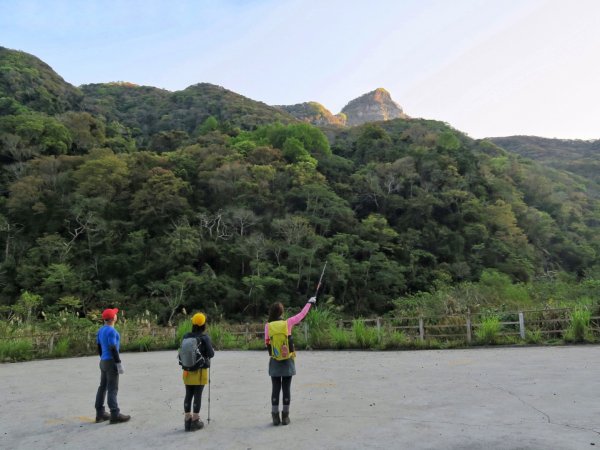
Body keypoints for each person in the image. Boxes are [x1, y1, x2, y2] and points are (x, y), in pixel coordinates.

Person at [265, 296, 316, 426]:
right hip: (288, 359)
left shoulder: (268, 326)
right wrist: (310, 302)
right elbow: (302, 314)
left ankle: (275, 417)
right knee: (286, 388)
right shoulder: (288, 323)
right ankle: (285, 417)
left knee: (275, 388)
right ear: (282, 313)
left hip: (275, 360)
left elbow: (267, 343)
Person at [94, 308, 130, 424]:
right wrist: (118, 363)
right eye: (115, 314)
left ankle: (100, 414)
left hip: (103, 361)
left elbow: (99, 347)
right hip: (111, 361)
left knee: (102, 387)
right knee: (112, 389)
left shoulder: (100, 330)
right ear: (113, 318)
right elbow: (113, 348)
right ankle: (115, 414)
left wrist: (102, 358)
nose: (116, 315)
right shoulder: (112, 331)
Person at [180, 312, 214, 431]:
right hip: (200, 371)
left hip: (187, 370)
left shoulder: (186, 336)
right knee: (197, 395)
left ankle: (187, 421)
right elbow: (211, 354)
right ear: (204, 324)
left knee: (188, 394)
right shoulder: (204, 338)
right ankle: (195, 420)